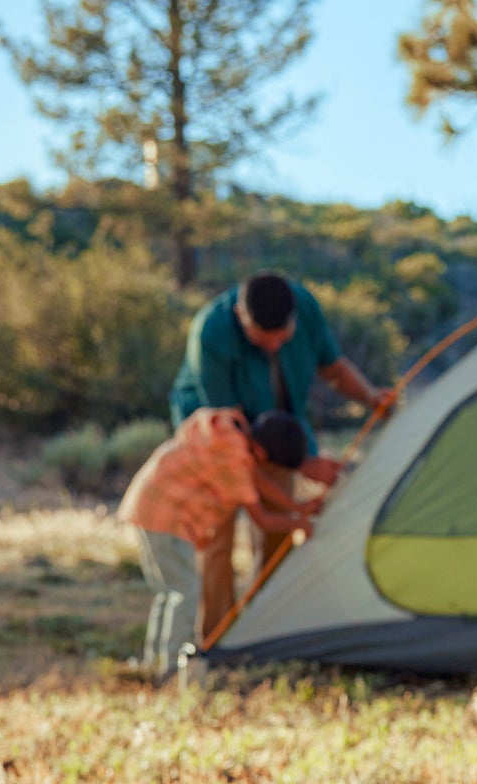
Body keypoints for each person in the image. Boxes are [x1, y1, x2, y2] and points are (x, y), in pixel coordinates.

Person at [169, 269, 395, 585]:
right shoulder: (210, 331)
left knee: (278, 537)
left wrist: (371, 397)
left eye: (282, 337)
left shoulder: (306, 307)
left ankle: (264, 621)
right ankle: (215, 633)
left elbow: (333, 368)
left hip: (274, 440)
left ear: (294, 318)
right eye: (263, 339)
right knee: (218, 541)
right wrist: (303, 462)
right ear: (240, 315)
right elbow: (232, 429)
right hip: (217, 446)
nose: (275, 346)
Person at [118, 408, 316, 676]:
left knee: (171, 591)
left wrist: (298, 507)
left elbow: (255, 479)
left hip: (150, 506)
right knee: (185, 591)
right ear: (261, 453)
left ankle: (154, 663)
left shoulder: (228, 435)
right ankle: (172, 667)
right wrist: (300, 523)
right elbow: (263, 520)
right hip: (165, 516)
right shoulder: (233, 458)